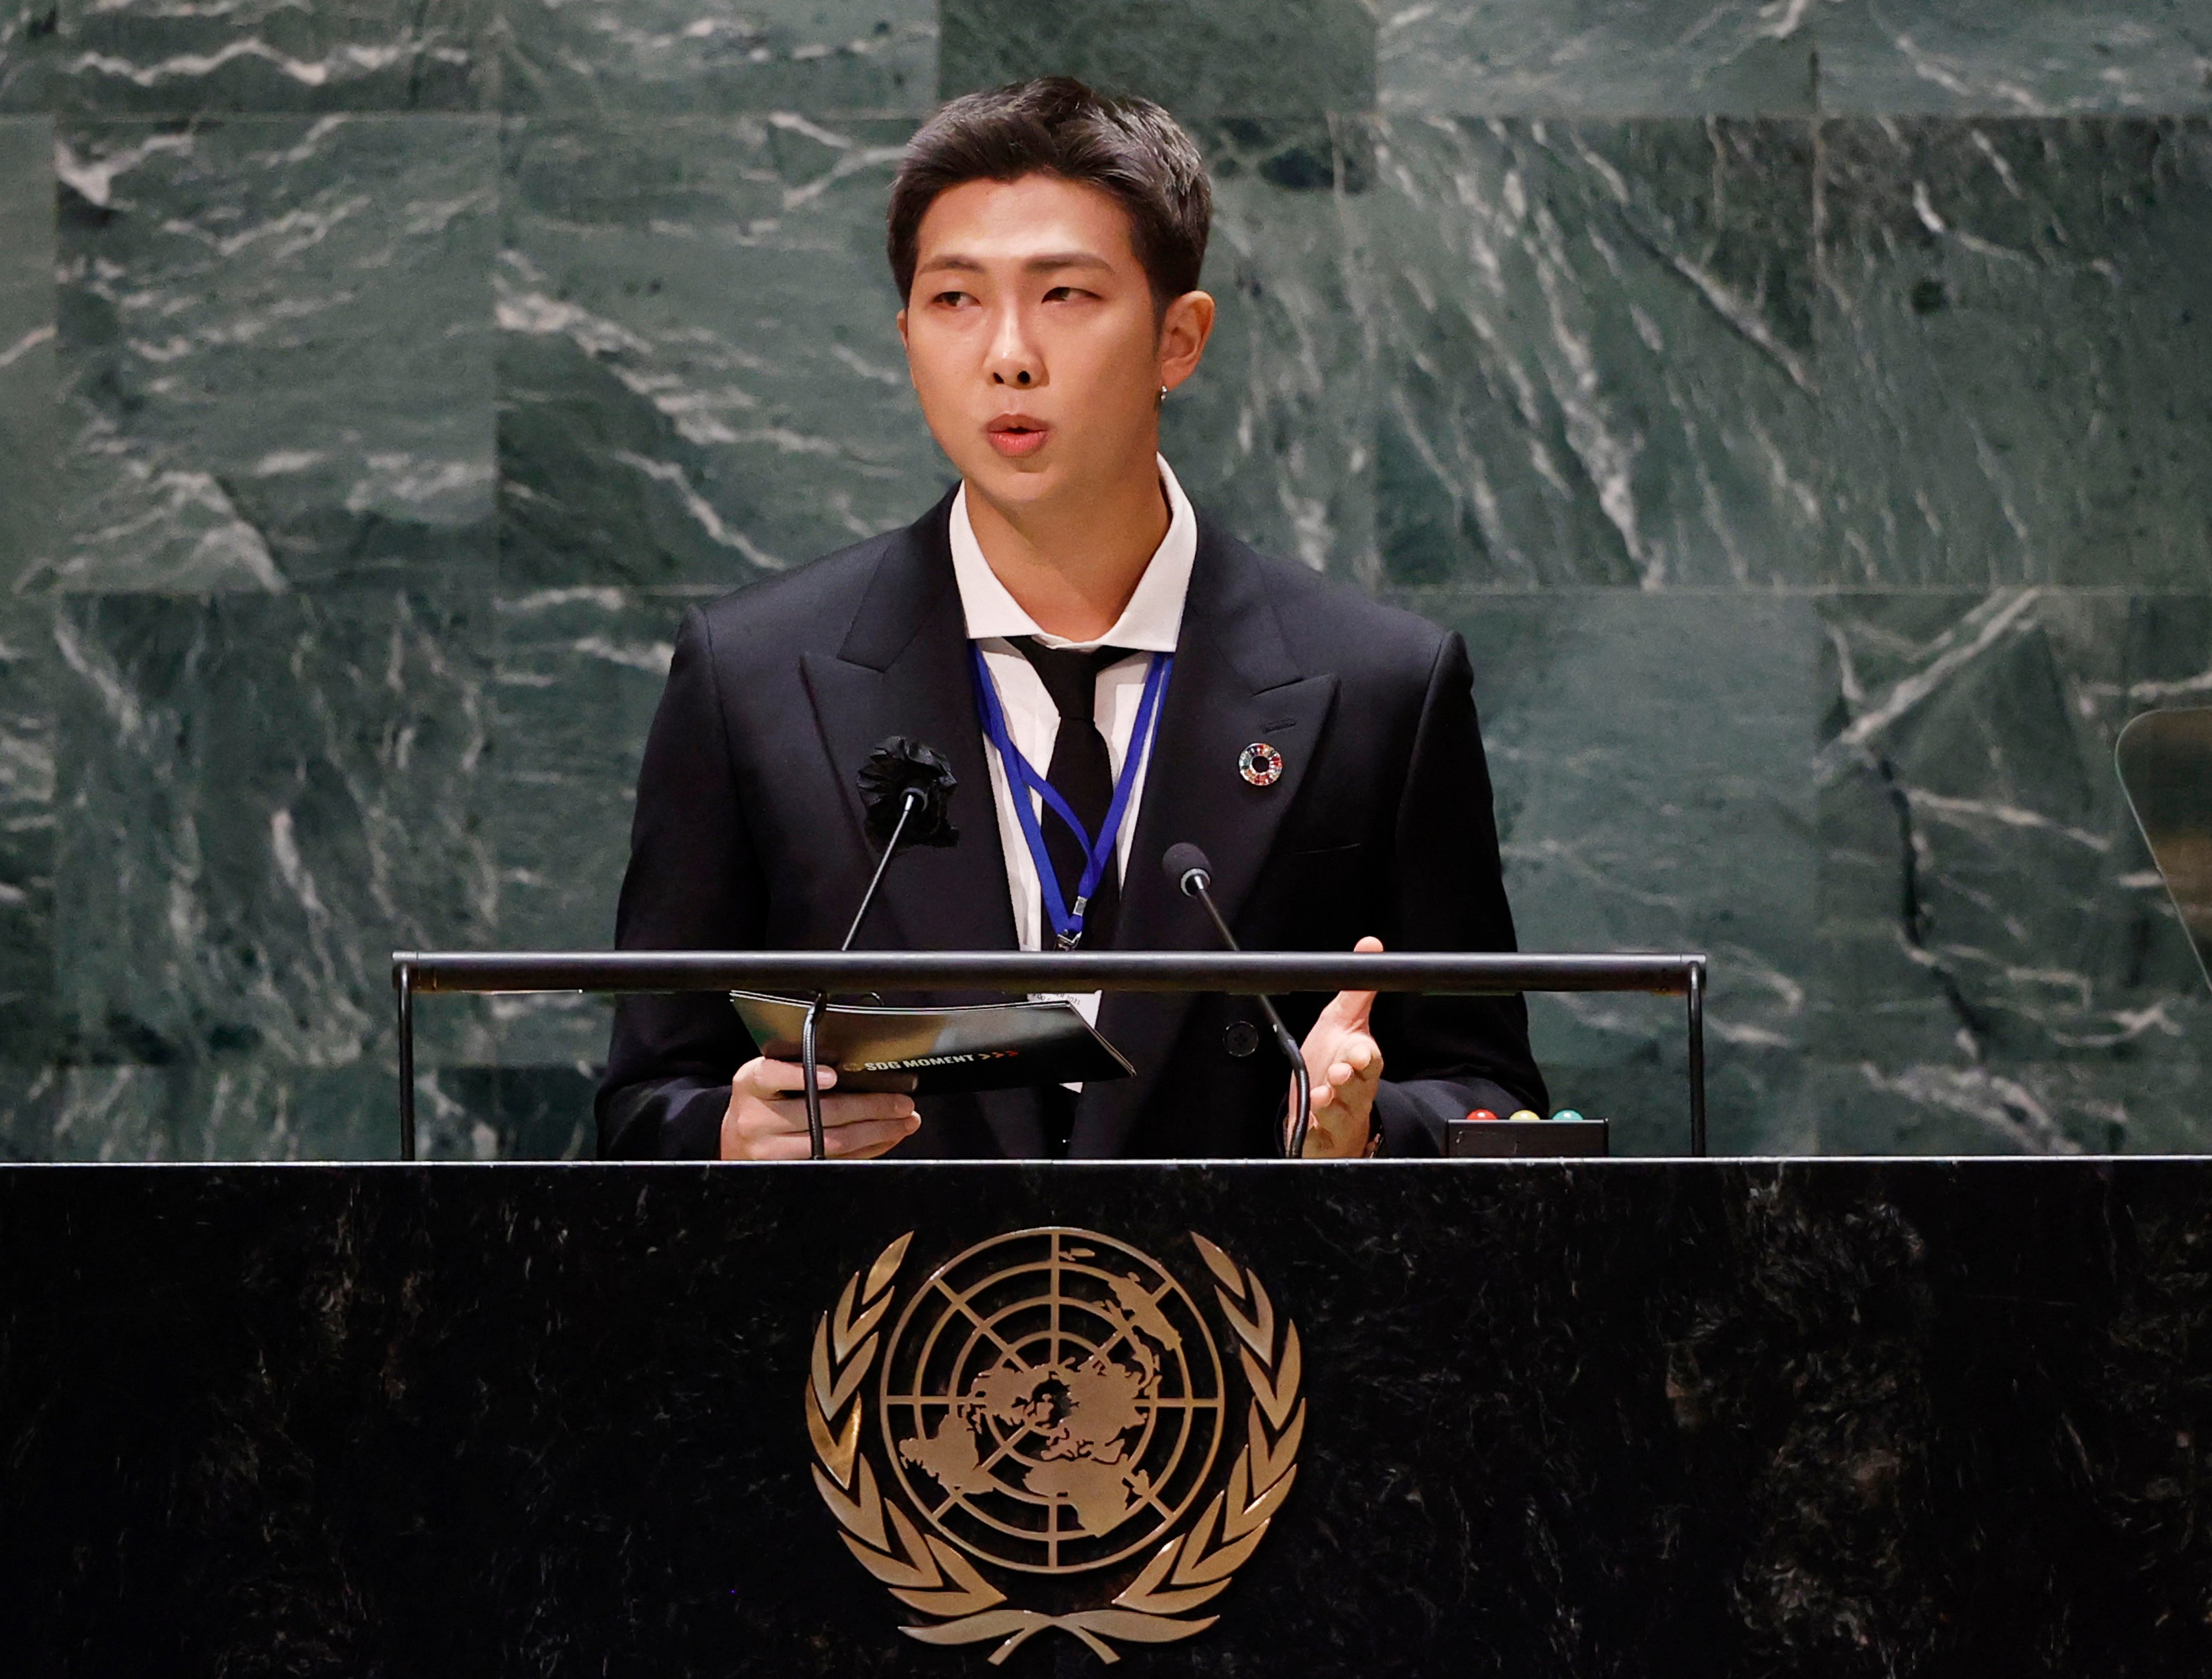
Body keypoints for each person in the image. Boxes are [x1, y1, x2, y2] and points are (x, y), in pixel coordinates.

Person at [597, 76, 1547, 1162]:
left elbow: (1491, 1095)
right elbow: (639, 1108)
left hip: (1237, 1319)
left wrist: (1370, 1132)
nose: (1008, 354)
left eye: (1064, 296)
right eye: (955, 300)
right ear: (905, 336)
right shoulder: (751, 679)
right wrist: (726, 1140)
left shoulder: (1380, 687)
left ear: (1178, 338)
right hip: (899, 1326)